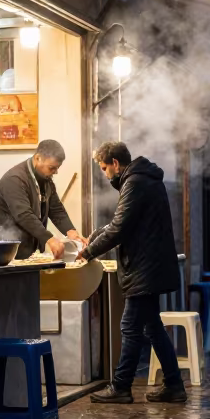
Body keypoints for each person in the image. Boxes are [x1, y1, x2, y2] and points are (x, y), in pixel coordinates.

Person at [78, 141, 186, 404]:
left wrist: (88, 252)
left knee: (130, 326)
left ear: (115, 163)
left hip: (144, 267)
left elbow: (120, 228)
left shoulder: (135, 182)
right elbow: (122, 221)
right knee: (152, 327)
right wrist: (94, 236)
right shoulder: (141, 179)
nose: (105, 174)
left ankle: (121, 387)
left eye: (104, 168)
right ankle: (173, 385)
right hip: (150, 265)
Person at [0, 139, 85, 260]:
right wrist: (49, 239)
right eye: (52, 168)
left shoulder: (46, 180)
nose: (55, 172)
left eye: (57, 168)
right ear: (37, 158)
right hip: (1, 251)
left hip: (25, 251)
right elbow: (23, 214)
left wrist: (71, 231)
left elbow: (56, 209)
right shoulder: (15, 179)